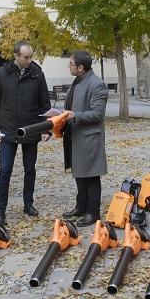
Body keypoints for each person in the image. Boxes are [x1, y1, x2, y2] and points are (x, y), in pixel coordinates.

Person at [0, 41, 51, 227]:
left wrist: (46, 128)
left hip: (30, 129)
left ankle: (28, 204)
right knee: (5, 171)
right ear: (16, 56)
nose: (29, 60)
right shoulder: (2, 73)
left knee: (30, 169)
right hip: (8, 130)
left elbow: (45, 104)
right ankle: (0, 212)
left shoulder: (37, 74)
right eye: (26, 57)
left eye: (31, 56)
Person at [62, 50, 109, 227]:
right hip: (75, 135)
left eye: (71, 64)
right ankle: (81, 206)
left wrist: (74, 116)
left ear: (81, 67)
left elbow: (98, 114)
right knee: (79, 174)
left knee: (91, 176)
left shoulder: (97, 84)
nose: (69, 66)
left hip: (89, 138)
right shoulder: (79, 80)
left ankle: (93, 212)